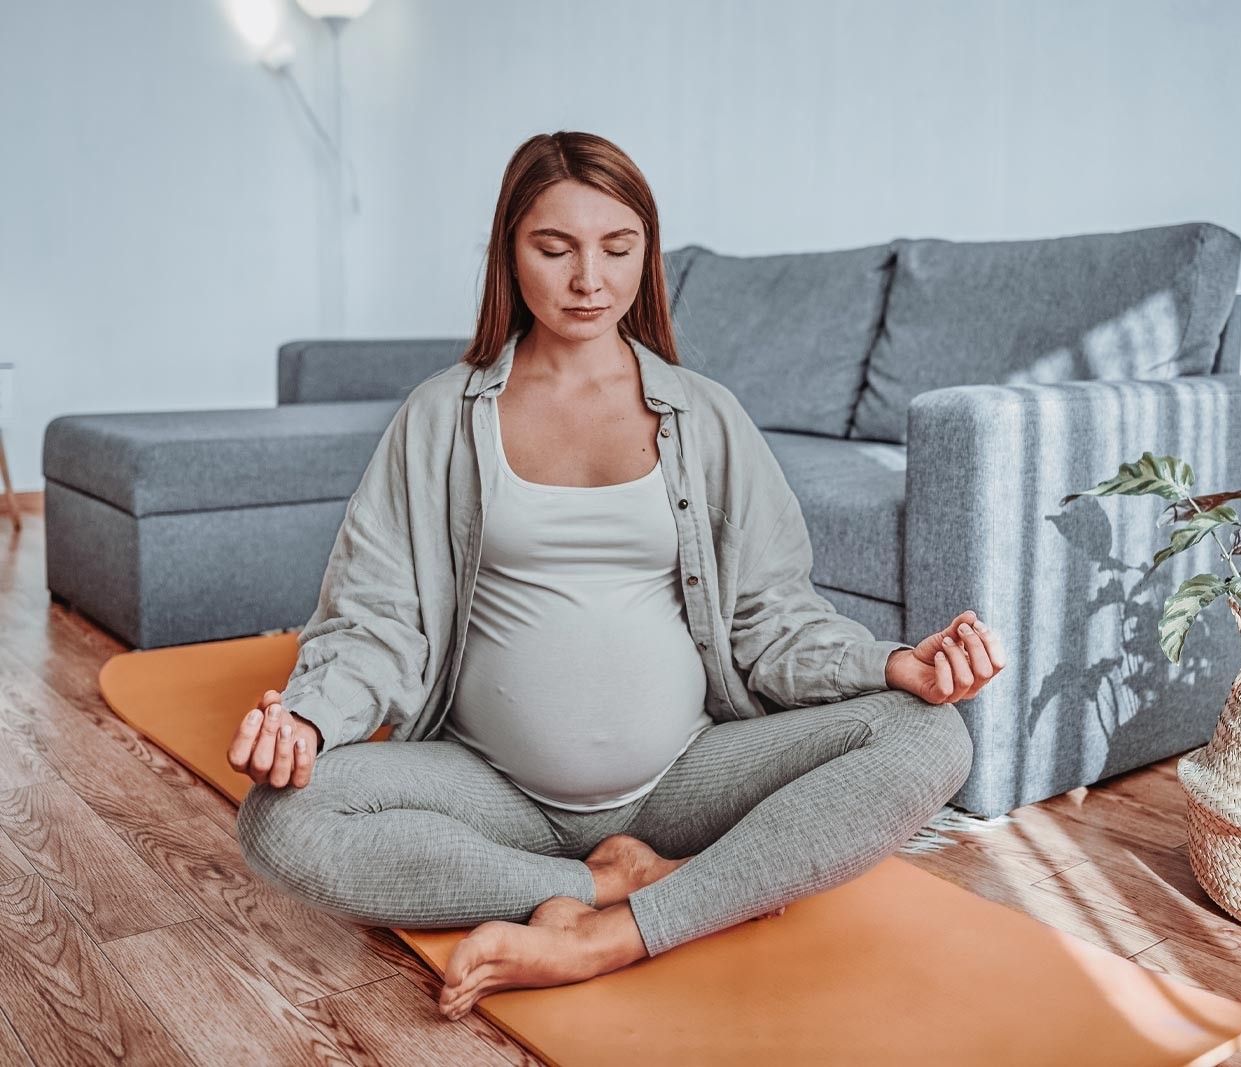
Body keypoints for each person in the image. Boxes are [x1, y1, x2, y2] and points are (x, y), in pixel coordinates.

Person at [227, 131, 1004, 1020]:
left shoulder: (706, 416)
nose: (588, 279)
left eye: (617, 248)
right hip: (492, 786)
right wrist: (311, 720)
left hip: (685, 775)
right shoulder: (442, 416)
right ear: (508, 256)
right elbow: (378, 615)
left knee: (932, 735)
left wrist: (890, 664)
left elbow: (771, 615)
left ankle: (618, 929)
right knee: (279, 817)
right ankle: (601, 883)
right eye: (554, 249)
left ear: (649, 254)